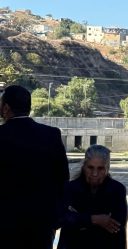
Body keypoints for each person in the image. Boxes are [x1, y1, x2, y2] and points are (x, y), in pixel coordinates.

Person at [0, 85, 69, 249]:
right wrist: (57, 218)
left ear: (6, 108)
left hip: (4, 226)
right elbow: (63, 179)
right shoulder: (51, 135)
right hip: (42, 226)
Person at [57, 145, 128, 249]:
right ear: (84, 166)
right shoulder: (70, 188)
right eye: (90, 167)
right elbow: (60, 219)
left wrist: (79, 219)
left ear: (107, 168)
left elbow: (117, 225)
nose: (95, 174)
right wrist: (95, 219)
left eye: (100, 168)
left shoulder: (117, 190)